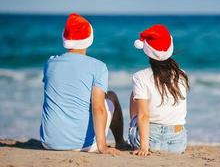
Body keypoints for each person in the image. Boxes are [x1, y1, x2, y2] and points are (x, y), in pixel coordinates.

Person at [40, 13, 128, 155]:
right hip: (83, 145)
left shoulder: (50, 63)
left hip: (49, 142)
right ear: (89, 39)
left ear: (64, 38)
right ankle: (120, 142)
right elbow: (98, 108)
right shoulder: (98, 67)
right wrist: (102, 146)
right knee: (111, 96)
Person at [129, 24, 189, 156]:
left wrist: (144, 148)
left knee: (135, 95)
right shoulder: (182, 75)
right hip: (177, 143)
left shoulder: (140, 76)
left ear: (147, 50)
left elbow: (144, 116)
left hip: (150, 140)